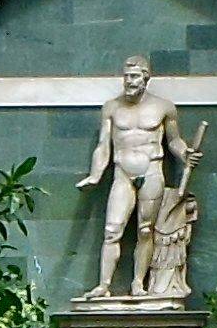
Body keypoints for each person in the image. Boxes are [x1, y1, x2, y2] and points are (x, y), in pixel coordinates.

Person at [78, 58, 202, 302]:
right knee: (111, 230)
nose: (128, 81)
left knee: (146, 231)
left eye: (134, 76)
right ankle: (104, 285)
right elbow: (104, 145)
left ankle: (138, 283)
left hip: (152, 172)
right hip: (122, 173)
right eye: (126, 76)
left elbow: (173, 141)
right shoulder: (111, 108)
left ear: (146, 78)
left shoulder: (164, 107)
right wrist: (95, 174)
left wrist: (185, 153)